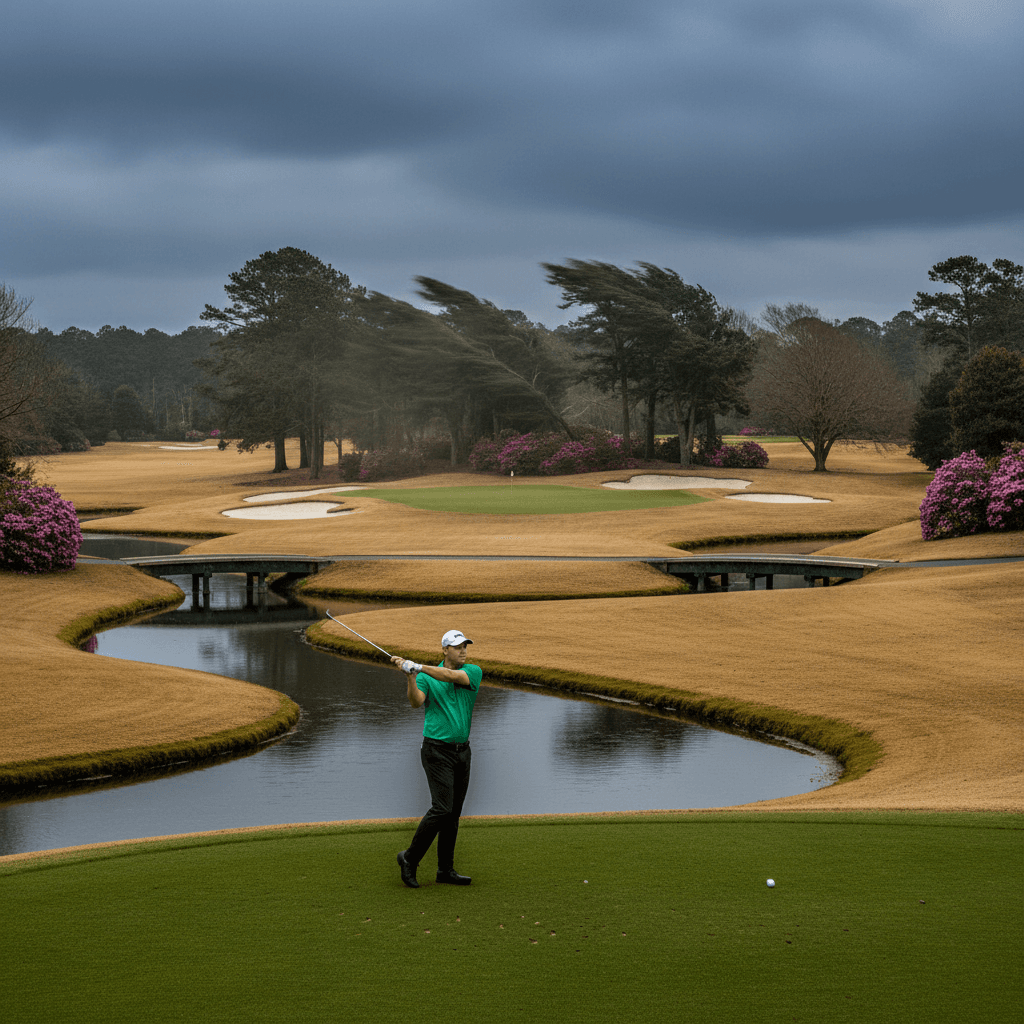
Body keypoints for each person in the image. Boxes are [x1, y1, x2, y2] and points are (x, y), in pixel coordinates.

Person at [390, 629, 482, 889]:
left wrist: (418, 666)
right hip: (436, 750)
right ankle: (409, 859)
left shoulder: (472, 672)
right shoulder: (425, 677)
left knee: (453, 814)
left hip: (463, 751)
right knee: (442, 808)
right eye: (457, 647)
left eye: (465, 646)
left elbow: (450, 676)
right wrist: (411, 677)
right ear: (445, 650)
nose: (463, 651)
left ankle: (445, 870)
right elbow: (416, 702)